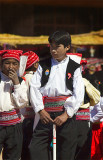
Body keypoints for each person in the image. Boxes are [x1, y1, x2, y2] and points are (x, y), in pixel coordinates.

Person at [29, 30, 84, 160]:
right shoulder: (43, 65)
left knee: (66, 150)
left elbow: (79, 93)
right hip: (45, 115)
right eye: (51, 46)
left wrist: (66, 114)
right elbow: (34, 88)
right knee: (36, 148)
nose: (53, 50)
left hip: (65, 116)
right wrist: (41, 110)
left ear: (67, 47)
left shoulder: (75, 67)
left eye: (57, 46)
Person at [0, 50, 28, 160]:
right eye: (7, 63)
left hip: (14, 126)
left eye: (14, 63)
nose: (11, 66)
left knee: (13, 157)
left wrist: (16, 82)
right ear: (1, 64)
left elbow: (21, 103)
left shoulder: (21, 81)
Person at [20, 51, 39, 160]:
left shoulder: (21, 78)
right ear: (35, 65)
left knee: (24, 147)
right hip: (33, 118)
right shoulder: (35, 78)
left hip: (22, 117)